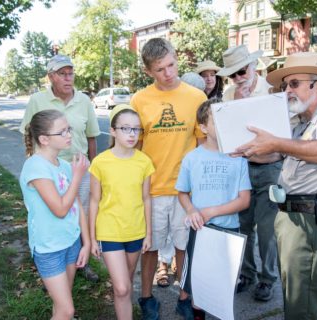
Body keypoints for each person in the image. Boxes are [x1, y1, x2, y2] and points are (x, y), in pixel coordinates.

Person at [234, 51, 317, 320]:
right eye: (285, 86)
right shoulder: (302, 124)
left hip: (313, 221)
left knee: (301, 304)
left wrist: (277, 144)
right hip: (296, 218)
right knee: (299, 297)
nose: (287, 90)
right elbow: (275, 154)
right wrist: (244, 148)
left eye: (294, 83)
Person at [130, 38, 207, 320]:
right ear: (149, 71)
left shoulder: (197, 98)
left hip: (185, 191)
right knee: (148, 246)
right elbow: (135, 148)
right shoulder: (139, 100)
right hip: (152, 189)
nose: (169, 73)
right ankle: (146, 297)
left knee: (183, 246)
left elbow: (202, 146)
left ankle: (185, 297)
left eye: (172, 64)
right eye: (160, 69)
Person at [20, 54, 100, 282]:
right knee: (54, 213)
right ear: (51, 76)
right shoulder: (37, 100)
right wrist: (35, 166)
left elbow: (92, 136)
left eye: (70, 73)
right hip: (48, 170)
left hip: (77, 169)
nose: (68, 78)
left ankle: (78, 260)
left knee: (79, 213)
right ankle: (52, 266)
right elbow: (28, 133)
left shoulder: (83, 100)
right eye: (62, 74)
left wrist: (91, 168)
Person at [176, 98, 251, 320]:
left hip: (229, 231)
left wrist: (211, 211)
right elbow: (182, 192)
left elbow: (244, 200)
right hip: (201, 232)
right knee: (198, 285)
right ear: (202, 127)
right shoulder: (192, 158)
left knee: (224, 286)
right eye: (216, 119)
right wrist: (191, 210)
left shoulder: (238, 158)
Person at [217, 44, 278, 300]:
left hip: (269, 167)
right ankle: (247, 273)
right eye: (233, 75)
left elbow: (284, 134)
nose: (238, 78)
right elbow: (225, 131)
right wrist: (238, 99)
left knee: (266, 230)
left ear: (253, 67)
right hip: (241, 168)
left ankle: (267, 279)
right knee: (243, 227)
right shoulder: (230, 94)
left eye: (242, 71)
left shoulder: (272, 91)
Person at [19, 109, 90, 319]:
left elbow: (76, 206)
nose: (69, 134)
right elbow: (60, 209)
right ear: (44, 139)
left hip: (70, 242)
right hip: (48, 248)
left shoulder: (65, 166)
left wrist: (85, 243)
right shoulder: (35, 167)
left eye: (69, 129)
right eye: (62, 132)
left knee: (62, 306)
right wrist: (78, 177)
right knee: (67, 309)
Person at [89, 104, 154, 319]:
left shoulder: (144, 161)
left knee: (125, 284)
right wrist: (91, 238)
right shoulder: (100, 162)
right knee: (123, 287)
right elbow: (94, 201)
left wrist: (149, 233)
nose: (132, 134)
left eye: (136, 129)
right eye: (126, 128)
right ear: (113, 131)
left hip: (135, 230)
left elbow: (146, 198)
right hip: (110, 231)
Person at [155, 71, 207, 288]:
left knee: (181, 233)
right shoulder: (159, 101)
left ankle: (179, 272)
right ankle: (163, 264)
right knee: (161, 234)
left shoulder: (198, 102)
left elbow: (201, 142)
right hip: (159, 180)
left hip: (185, 182)